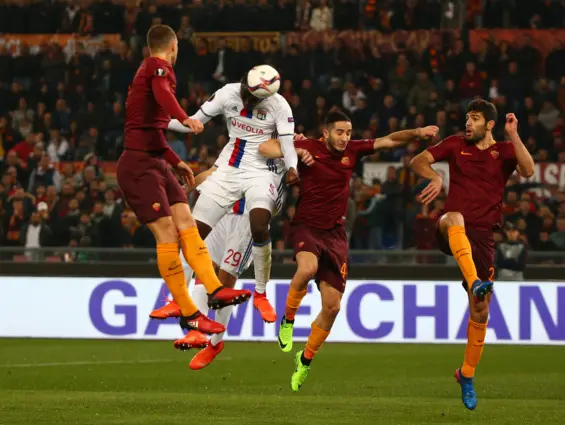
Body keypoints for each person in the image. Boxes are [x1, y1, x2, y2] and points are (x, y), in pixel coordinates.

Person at [258, 111, 439, 392]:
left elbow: (388, 140)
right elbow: (265, 147)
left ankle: (304, 360)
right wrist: (296, 151)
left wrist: (416, 132)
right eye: (339, 132)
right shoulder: (309, 148)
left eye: (348, 132)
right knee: (307, 269)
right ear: (326, 132)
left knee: (332, 307)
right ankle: (288, 321)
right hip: (307, 227)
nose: (345, 138)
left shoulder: (352, 152)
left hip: (336, 236)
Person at [116, 25, 251, 337]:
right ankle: (188, 312)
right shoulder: (157, 66)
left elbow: (152, 131)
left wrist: (176, 162)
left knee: (188, 224)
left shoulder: (147, 74)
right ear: (173, 46)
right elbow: (165, 97)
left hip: (156, 161)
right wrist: (185, 117)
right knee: (168, 235)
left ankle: (214, 289)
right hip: (138, 165)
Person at [409, 100, 535, 410]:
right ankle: (475, 281)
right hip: (451, 229)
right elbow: (417, 160)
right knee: (454, 217)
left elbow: (529, 171)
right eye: (467, 117)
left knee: (480, 312)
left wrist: (514, 135)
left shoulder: (504, 151)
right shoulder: (455, 144)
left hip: (481, 239)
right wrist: (436, 177)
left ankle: (466, 374)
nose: (468, 123)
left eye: (475, 119)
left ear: (489, 125)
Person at [166, 70, 299, 323]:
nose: (250, 103)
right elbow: (194, 122)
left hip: (261, 177)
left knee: (256, 230)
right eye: (249, 96)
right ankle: (181, 304)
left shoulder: (280, 106)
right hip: (229, 181)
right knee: (191, 237)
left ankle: (260, 294)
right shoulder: (227, 95)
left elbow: (288, 145)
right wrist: (156, 123)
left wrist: (292, 168)